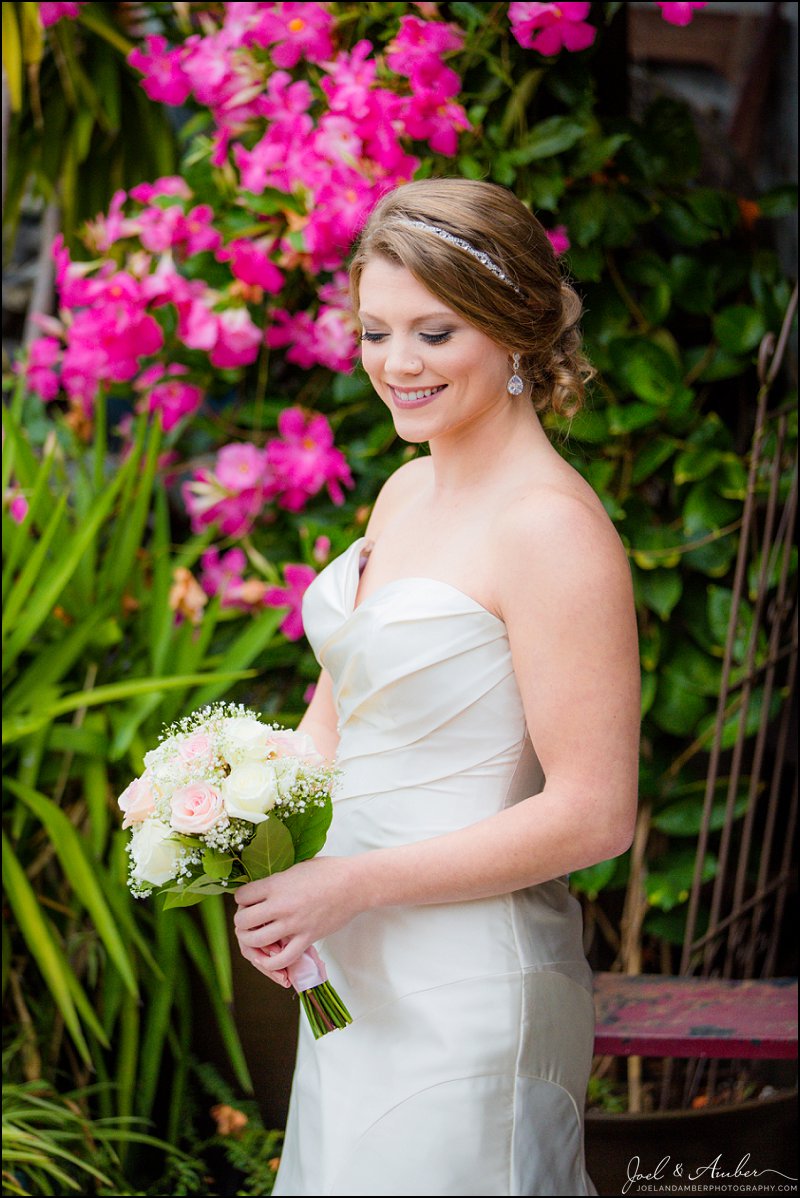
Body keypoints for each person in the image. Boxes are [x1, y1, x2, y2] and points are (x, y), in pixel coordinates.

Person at [233, 177, 641, 1197]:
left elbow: (594, 814)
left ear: (511, 334)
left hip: (466, 984)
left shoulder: (549, 529)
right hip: (353, 967)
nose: (395, 365)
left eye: (433, 332)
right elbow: (340, 711)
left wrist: (348, 884)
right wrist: (244, 826)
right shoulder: (404, 486)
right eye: (375, 332)